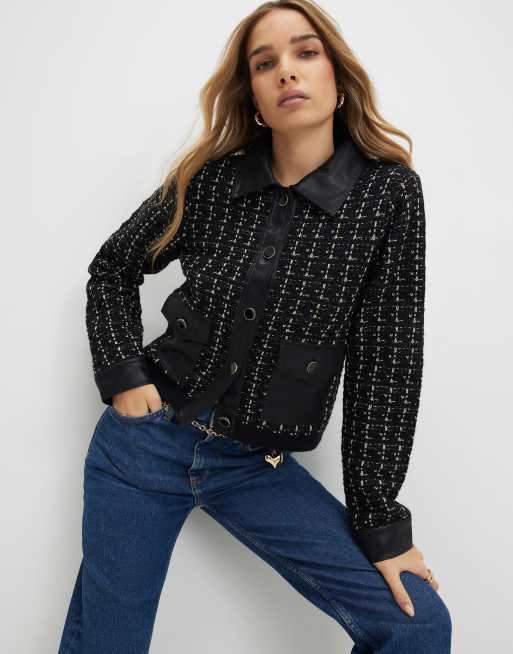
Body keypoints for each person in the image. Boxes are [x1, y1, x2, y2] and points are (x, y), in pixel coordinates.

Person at [58, 1, 452, 652]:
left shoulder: (387, 195)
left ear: (337, 76)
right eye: (264, 64)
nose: (286, 72)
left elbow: (387, 363)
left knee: (416, 626)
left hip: (253, 466)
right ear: (255, 99)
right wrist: (124, 377)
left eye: (305, 52)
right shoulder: (211, 179)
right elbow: (113, 268)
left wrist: (380, 523)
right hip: (143, 446)